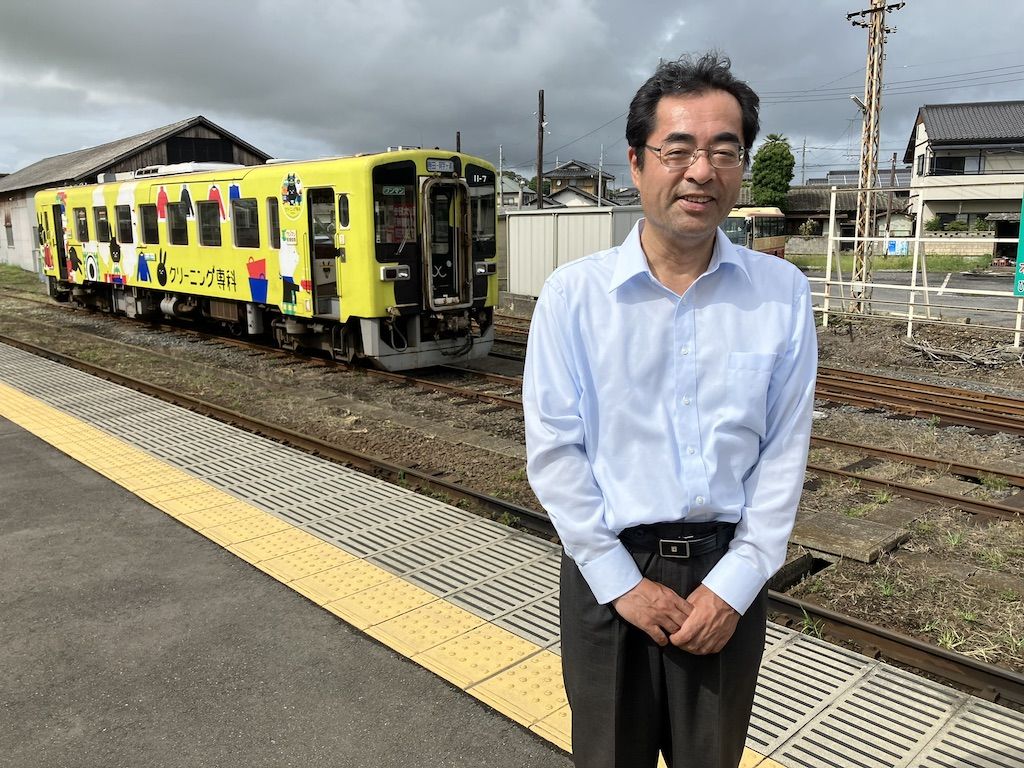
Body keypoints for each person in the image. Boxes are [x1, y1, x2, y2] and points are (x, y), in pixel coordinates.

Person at [523, 52, 817, 768]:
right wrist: (621, 585)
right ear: (636, 161)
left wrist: (739, 583)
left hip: (725, 580)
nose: (701, 171)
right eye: (678, 149)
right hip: (609, 576)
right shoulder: (573, 296)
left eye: (725, 151)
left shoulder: (781, 293)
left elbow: (783, 455)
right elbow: (555, 453)